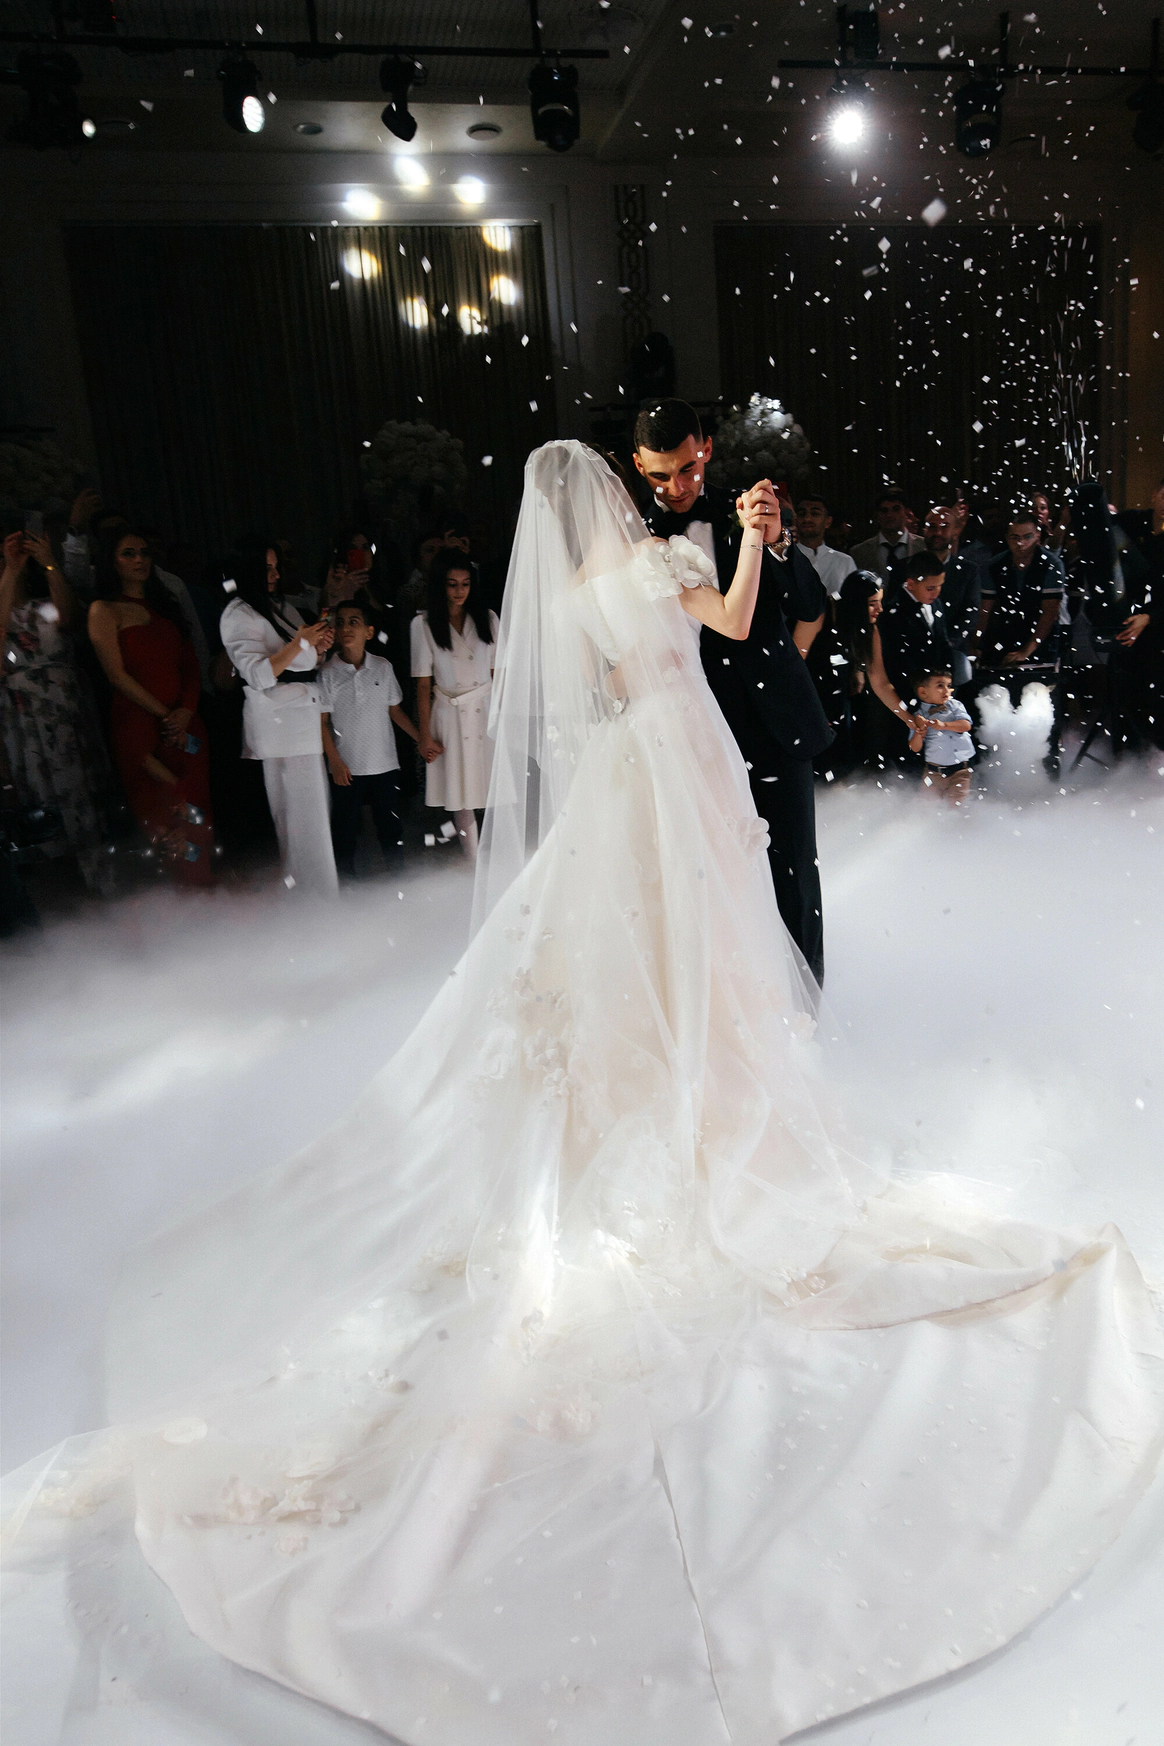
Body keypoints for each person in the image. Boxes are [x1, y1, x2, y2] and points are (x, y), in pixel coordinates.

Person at [12, 439, 1162, 1746]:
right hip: (675, 758)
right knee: (693, 934)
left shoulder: (570, 595)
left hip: (629, 763)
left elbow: (617, 678)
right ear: (602, 500)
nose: (625, 495)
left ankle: (649, 1087)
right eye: (617, 484)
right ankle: (694, 1098)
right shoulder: (655, 564)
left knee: (627, 947)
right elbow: (734, 622)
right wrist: (745, 542)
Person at [633, 397, 832, 985]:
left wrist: (779, 542)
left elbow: (811, 605)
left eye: (688, 468)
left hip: (772, 725)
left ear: (707, 450)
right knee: (703, 882)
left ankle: (807, 1010)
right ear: (638, 465)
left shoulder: (748, 513)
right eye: (660, 475)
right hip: (685, 734)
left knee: (792, 875)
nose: (677, 487)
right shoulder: (626, 537)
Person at [88, 525, 215, 886]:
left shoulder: (166, 608)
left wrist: (185, 711)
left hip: (185, 725)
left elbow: (190, 666)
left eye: (144, 552)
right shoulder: (104, 609)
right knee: (165, 808)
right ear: (111, 561)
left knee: (196, 808)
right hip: (140, 727)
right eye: (128, 553)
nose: (139, 559)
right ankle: (182, 897)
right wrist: (166, 715)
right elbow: (115, 675)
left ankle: (205, 892)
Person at [219, 539, 337, 896]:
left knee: (314, 817)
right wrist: (301, 643)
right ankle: (304, 901)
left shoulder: (278, 606)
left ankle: (322, 896)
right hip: (279, 725)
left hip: (302, 720)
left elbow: (304, 656)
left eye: (275, 567)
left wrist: (318, 647)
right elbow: (257, 674)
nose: (273, 574)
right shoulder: (238, 614)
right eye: (266, 568)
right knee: (295, 821)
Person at [0, 525, 114, 893]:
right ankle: (60, 884)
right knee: (37, 791)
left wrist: (49, 563)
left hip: (66, 704)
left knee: (80, 785)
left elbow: (71, 619)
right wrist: (10, 569)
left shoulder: (44, 603)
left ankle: (100, 875)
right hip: (24, 713)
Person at [410, 549, 499, 862]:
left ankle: (500, 856)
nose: (460, 591)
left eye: (465, 584)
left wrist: (503, 717)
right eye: (452, 584)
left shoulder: (488, 618)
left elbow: (497, 672)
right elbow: (423, 684)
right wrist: (424, 735)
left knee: (493, 787)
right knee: (460, 792)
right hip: (449, 713)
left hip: (485, 708)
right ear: (440, 585)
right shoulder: (423, 624)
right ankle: (474, 860)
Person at [320, 597, 419, 877]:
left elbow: (395, 711)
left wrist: (421, 739)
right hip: (347, 766)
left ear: (369, 631)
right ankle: (346, 881)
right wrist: (335, 761)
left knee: (390, 825)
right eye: (340, 623)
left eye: (354, 622)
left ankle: (398, 877)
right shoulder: (327, 673)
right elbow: (322, 722)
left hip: (383, 764)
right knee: (345, 827)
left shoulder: (383, 667)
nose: (346, 628)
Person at [921, 504, 983, 684]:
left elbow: (970, 613)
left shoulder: (968, 571)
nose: (937, 532)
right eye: (932, 527)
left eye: (944, 527)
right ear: (924, 530)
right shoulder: (904, 568)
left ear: (956, 531)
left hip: (953, 655)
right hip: (912, 655)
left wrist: (947, 644)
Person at [908, 669, 975, 803]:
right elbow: (914, 748)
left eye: (949, 686)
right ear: (923, 692)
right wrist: (919, 732)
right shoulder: (919, 716)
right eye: (940, 686)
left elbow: (966, 725)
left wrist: (944, 725)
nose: (946, 690)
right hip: (934, 773)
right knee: (928, 806)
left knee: (956, 806)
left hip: (960, 772)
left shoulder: (955, 706)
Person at [848, 486, 925, 580]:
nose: (889, 515)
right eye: (884, 510)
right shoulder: (859, 552)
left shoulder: (924, 547)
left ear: (907, 512)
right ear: (877, 515)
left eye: (896, 509)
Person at [794, 492, 857, 600]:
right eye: (802, 514)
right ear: (795, 521)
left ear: (828, 522)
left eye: (814, 514)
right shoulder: (785, 558)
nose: (807, 519)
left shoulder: (844, 561)